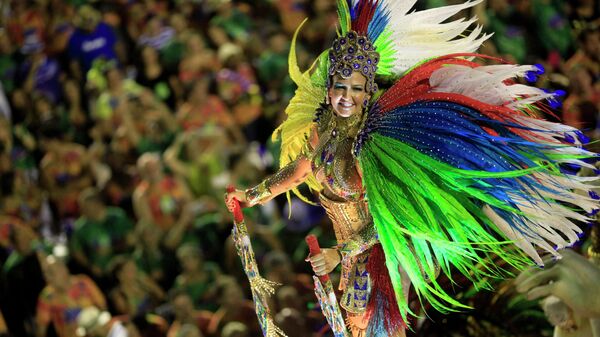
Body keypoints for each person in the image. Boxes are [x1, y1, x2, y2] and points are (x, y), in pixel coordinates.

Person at [226, 1, 598, 336]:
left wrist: (342, 252)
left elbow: (389, 217)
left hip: (380, 251)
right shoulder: (320, 130)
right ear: (328, 88)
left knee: (369, 325)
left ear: (368, 91)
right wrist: (252, 195)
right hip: (348, 254)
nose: (346, 97)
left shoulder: (374, 144)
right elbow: (298, 170)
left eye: (356, 89)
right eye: (340, 86)